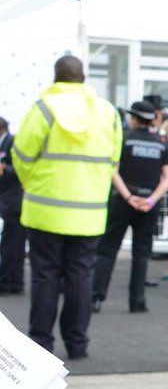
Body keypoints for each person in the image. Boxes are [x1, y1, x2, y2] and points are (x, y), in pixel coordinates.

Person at [10, 55, 123, 359]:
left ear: (55, 77)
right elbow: (113, 160)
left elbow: (20, 155)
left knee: (45, 276)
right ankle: (77, 344)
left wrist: (34, 184)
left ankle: (41, 344)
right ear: (84, 77)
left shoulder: (43, 109)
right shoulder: (108, 113)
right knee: (81, 276)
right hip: (89, 214)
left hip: (45, 210)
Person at [93, 100, 168, 314]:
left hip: (122, 201)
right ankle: (137, 301)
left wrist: (129, 196)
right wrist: (151, 200)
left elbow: (112, 171)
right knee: (141, 253)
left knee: (108, 249)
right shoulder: (160, 143)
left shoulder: (124, 140)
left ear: (135, 119)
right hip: (149, 204)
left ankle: (96, 297)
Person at [0, 116, 26, 295]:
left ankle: (11, 282)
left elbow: (20, 168)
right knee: (11, 243)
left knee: (12, 245)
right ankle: (12, 281)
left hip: (15, 200)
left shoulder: (12, 142)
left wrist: (5, 169)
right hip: (8, 199)